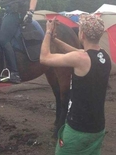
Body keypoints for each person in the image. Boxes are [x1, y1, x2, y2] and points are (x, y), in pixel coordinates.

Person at [40, 15, 111, 155]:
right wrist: (55, 40)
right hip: (97, 129)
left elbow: (44, 58)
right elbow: (75, 51)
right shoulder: (103, 56)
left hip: (78, 129)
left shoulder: (80, 59)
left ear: (82, 34)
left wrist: (48, 32)